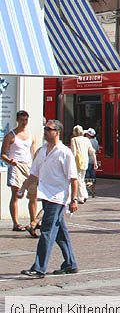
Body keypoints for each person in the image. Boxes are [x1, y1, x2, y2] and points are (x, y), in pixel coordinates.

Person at [19, 120, 79, 278]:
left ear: (57, 132)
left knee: (47, 232)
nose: (45, 132)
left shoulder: (65, 152)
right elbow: (34, 173)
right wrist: (23, 188)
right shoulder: (42, 150)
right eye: (44, 129)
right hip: (45, 195)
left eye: (48, 129)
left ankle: (39, 268)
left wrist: (73, 200)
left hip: (58, 197)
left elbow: (73, 179)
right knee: (60, 232)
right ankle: (70, 264)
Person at [2, 110, 38, 234]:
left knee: (33, 195)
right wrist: (10, 161)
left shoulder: (31, 135)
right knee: (16, 194)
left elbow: (35, 153)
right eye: (22, 120)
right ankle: (16, 223)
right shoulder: (10, 136)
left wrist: (37, 167)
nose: (24, 122)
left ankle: (33, 221)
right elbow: (2, 154)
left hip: (29, 166)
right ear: (17, 120)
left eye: (26, 120)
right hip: (16, 165)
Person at [69, 125, 96, 204]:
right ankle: (84, 195)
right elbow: (92, 151)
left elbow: (73, 152)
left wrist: (70, 163)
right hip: (85, 161)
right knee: (82, 178)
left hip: (77, 162)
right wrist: (95, 162)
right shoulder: (86, 140)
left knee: (78, 179)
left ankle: (81, 197)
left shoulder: (74, 140)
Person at [84, 128, 100, 198]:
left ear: (88, 135)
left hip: (87, 161)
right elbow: (97, 150)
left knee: (86, 177)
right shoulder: (96, 141)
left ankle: (86, 192)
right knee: (93, 177)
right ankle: (93, 191)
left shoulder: (87, 141)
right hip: (94, 161)